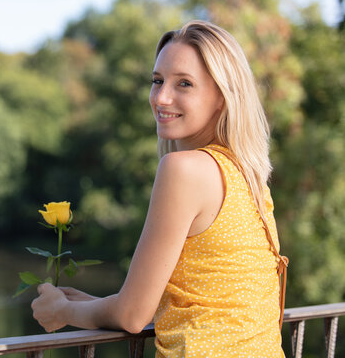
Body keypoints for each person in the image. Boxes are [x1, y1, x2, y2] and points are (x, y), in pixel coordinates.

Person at [31, 20, 286, 357]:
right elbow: (205, 300)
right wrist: (91, 304)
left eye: (184, 84)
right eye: (157, 81)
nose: (162, 97)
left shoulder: (184, 169)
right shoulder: (246, 175)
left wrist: (62, 312)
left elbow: (133, 317)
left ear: (222, 97)